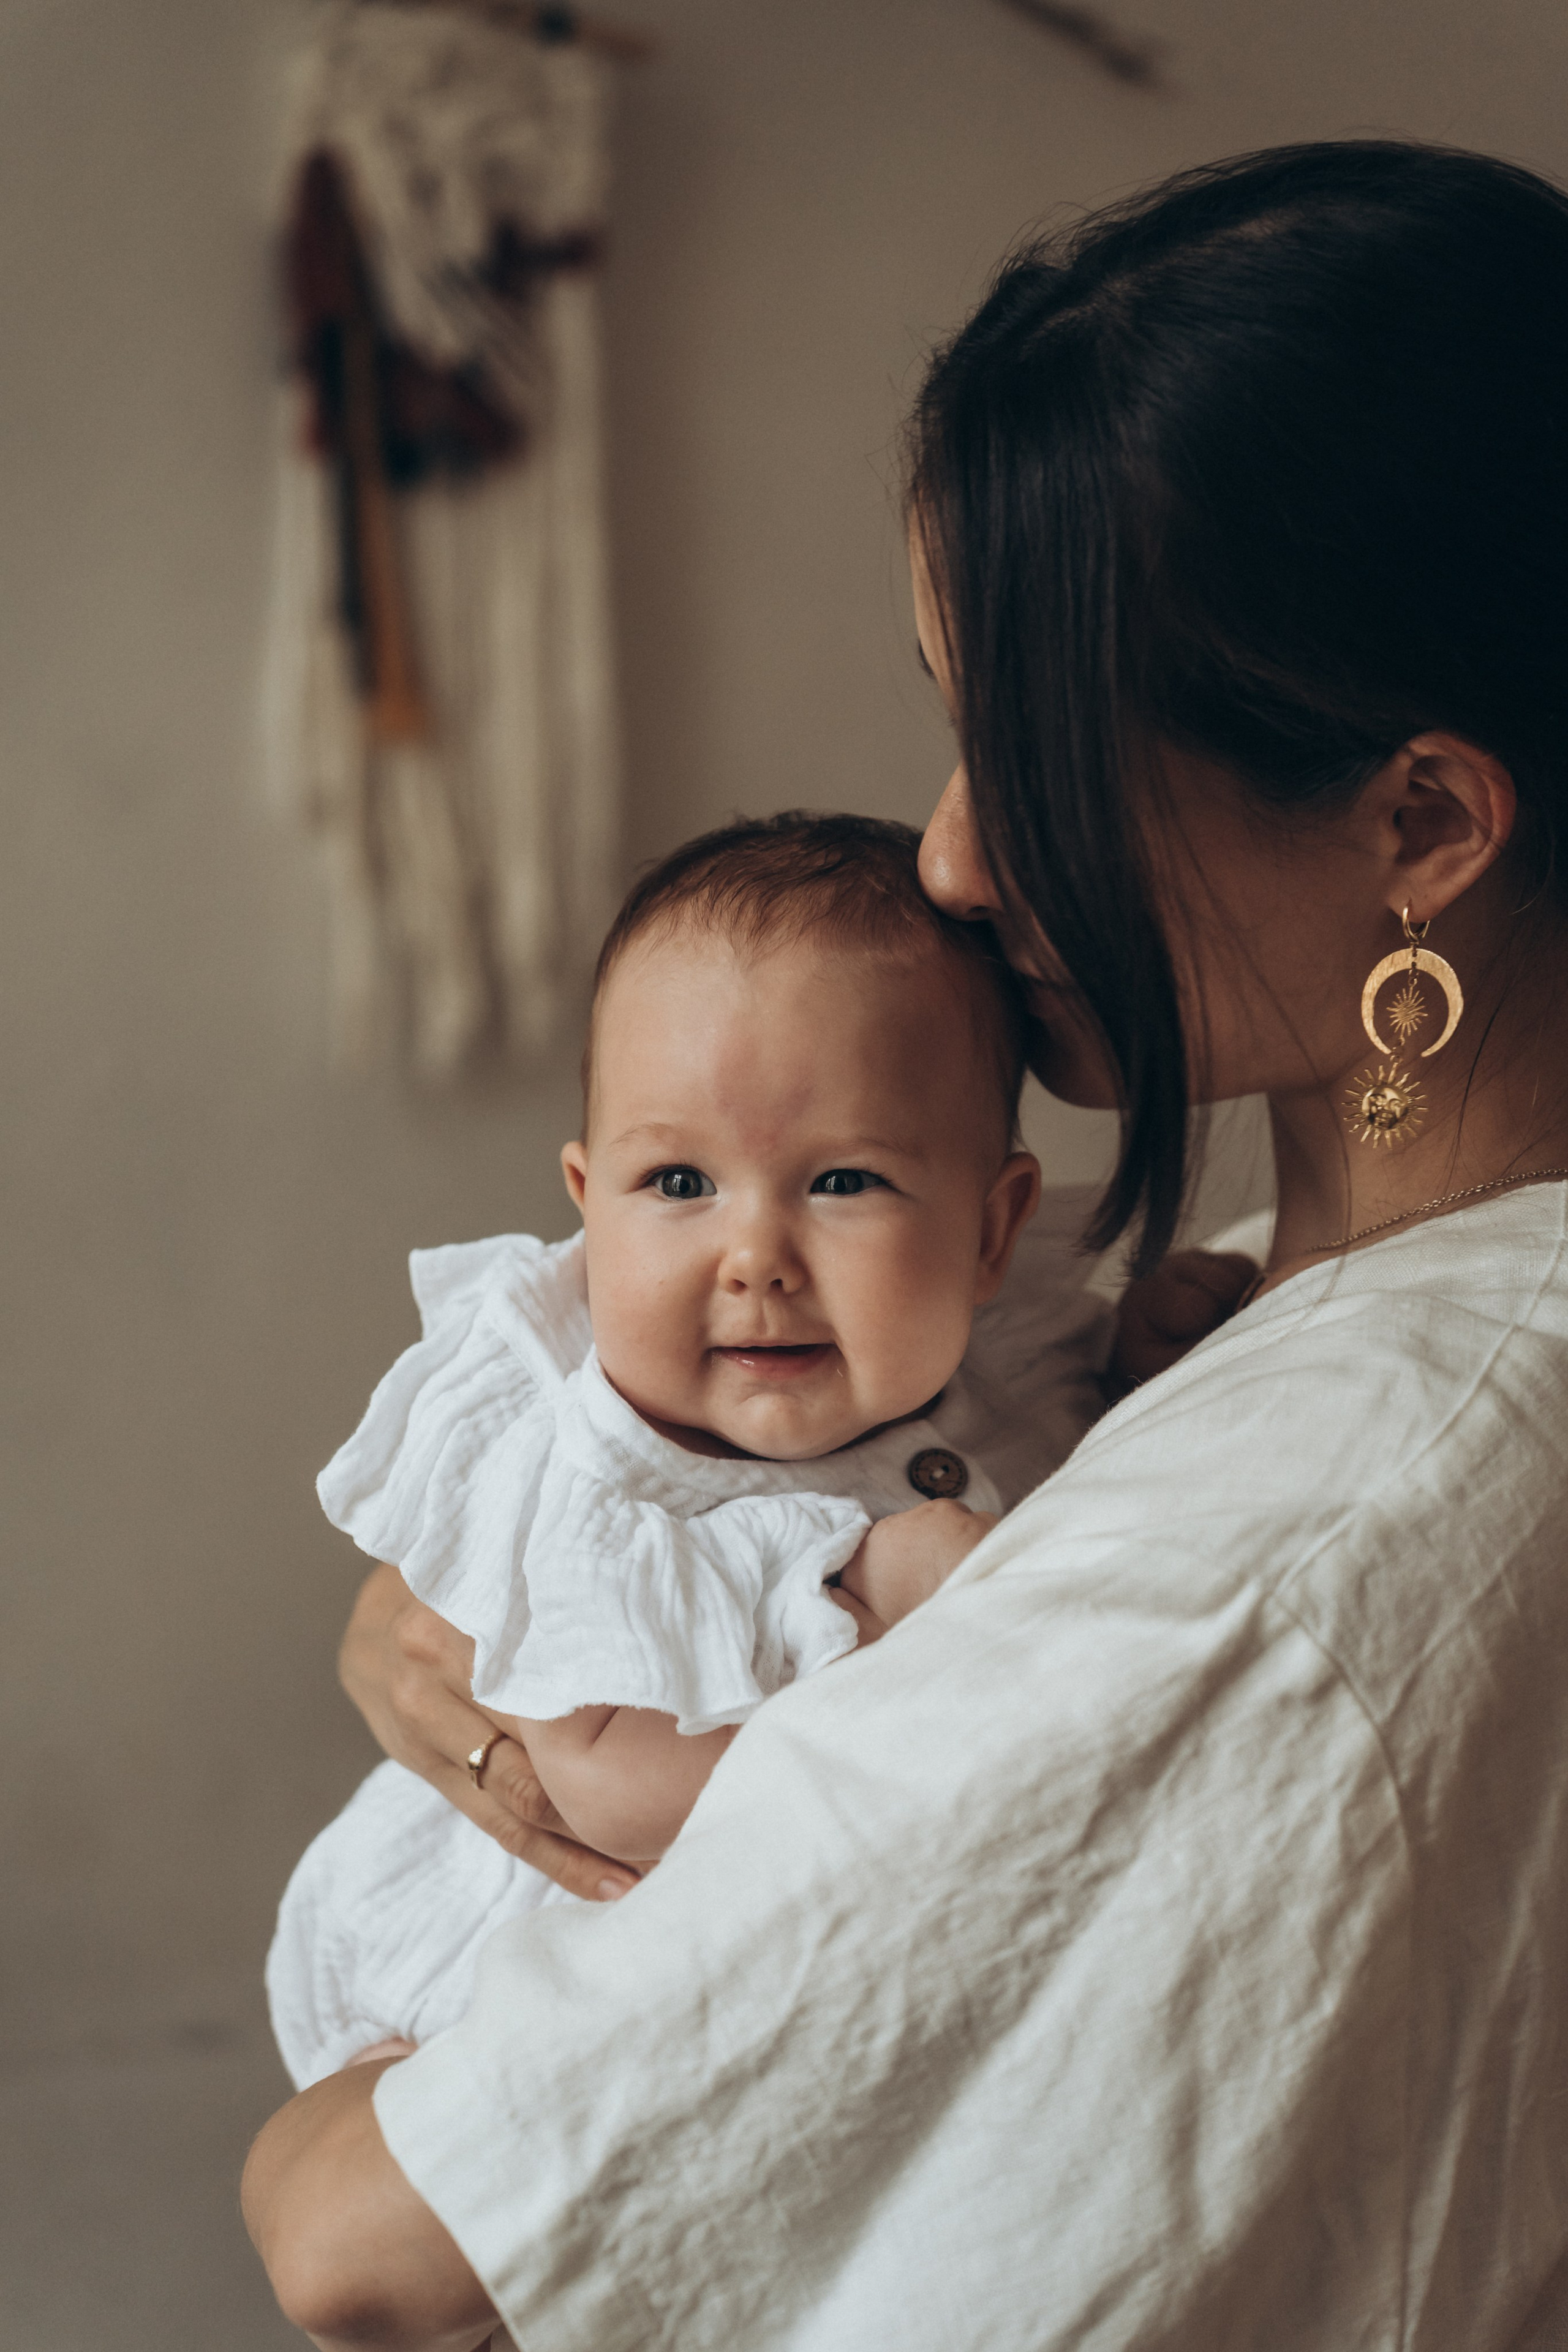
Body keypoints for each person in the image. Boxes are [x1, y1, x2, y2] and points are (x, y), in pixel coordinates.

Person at [244, 139, 1568, 2351]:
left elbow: (376, 2248)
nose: (951, 862)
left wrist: (328, 2101)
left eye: (1029, 755)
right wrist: (494, 1602)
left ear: (1420, 823)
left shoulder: (1299, 1542)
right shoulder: (1264, 1306)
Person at [267, 812, 1239, 2088]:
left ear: (991, 1230)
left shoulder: (1002, 1353)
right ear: (584, 1203)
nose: (754, 1259)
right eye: (677, 1183)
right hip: (480, 1970)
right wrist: (866, 1600)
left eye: (842, 1182)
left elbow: (1073, 1450)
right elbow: (602, 1780)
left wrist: (1142, 1366)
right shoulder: (606, 1477)